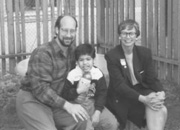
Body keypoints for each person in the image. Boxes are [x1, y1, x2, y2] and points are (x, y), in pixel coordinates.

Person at [16, 15, 89, 130]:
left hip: (54, 99)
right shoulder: (43, 53)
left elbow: (77, 74)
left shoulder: (72, 52)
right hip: (33, 98)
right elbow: (40, 89)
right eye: (65, 30)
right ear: (56, 30)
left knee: (82, 119)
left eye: (72, 31)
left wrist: (76, 93)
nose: (69, 35)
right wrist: (68, 105)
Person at [105, 19, 168, 130]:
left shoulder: (144, 53)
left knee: (159, 107)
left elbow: (151, 79)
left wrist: (161, 92)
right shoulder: (112, 55)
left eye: (131, 33)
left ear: (136, 36)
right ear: (119, 36)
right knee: (160, 109)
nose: (128, 37)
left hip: (140, 89)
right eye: (124, 33)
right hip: (121, 95)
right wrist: (144, 99)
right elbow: (119, 85)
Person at [56, 43, 118, 130]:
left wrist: (98, 111)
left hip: (93, 104)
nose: (85, 63)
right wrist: (78, 91)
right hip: (77, 105)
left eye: (88, 59)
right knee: (87, 127)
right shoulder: (73, 75)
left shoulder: (97, 73)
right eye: (81, 60)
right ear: (77, 62)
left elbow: (102, 94)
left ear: (93, 60)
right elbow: (65, 94)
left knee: (111, 123)